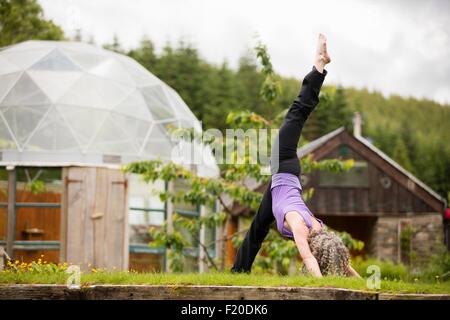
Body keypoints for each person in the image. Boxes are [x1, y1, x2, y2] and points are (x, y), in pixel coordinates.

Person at [231, 34, 361, 278]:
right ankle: (319, 66)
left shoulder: (318, 229)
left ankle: (239, 271)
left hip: (280, 186)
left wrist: (364, 285)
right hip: (284, 165)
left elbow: (341, 262)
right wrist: (322, 285)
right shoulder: (304, 229)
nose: (315, 250)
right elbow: (308, 258)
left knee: (258, 227)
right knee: (296, 115)